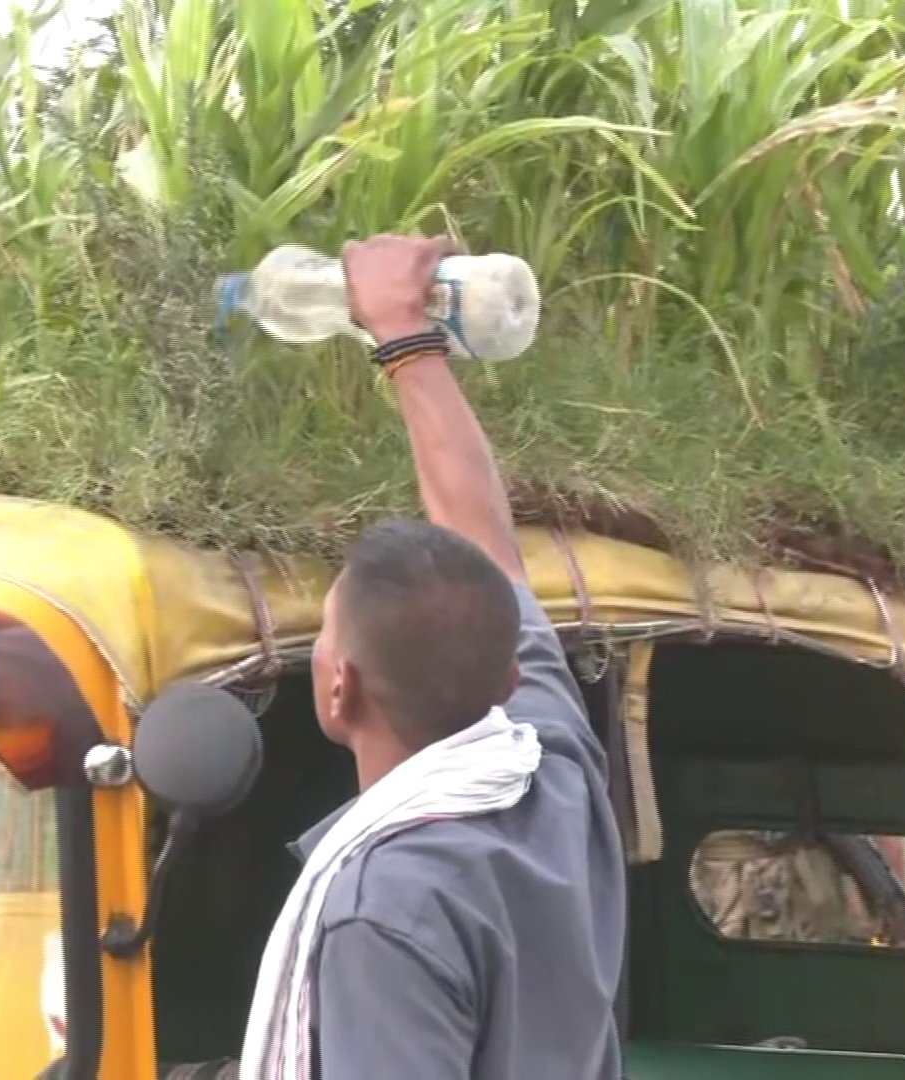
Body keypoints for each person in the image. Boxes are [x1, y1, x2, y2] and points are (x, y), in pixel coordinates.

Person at [238, 235, 625, 1080]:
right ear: (515, 678)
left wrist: (402, 335)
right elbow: (481, 536)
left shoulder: (385, 912)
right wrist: (405, 337)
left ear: (339, 690)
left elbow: (487, 549)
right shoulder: (548, 774)